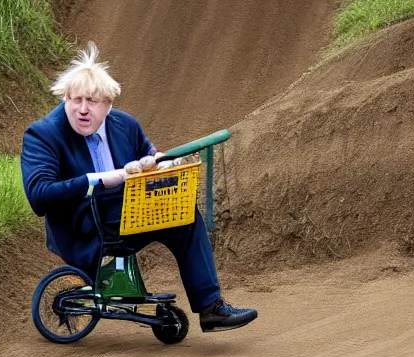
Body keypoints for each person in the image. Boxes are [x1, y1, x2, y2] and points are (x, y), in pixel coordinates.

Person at [20, 43, 256, 333]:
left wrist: (163, 164)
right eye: (76, 100)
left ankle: (211, 308)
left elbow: (151, 158)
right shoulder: (43, 134)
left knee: (185, 216)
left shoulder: (125, 125)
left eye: (92, 102)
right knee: (157, 210)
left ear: (107, 105)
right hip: (83, 228)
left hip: (128, 215)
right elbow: (39, 196)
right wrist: (105, 178)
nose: (83, 110)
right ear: (65, 98)